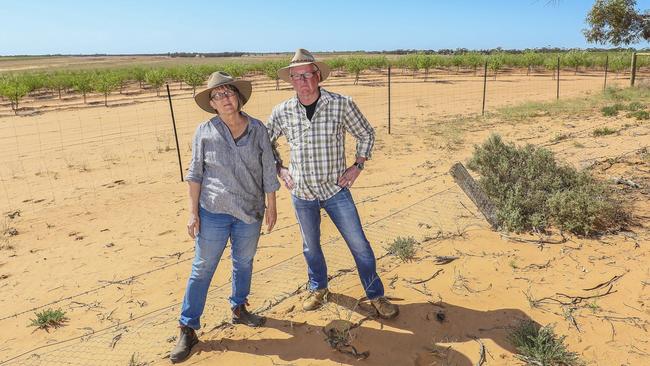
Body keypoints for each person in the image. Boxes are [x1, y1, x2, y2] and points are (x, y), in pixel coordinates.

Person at [266, 49, 399, 319]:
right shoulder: (282, 111)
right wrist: (280, 168)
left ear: (318, 76)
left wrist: (357, 165)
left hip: (336, 191)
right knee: (310, 246)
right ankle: (319, 289)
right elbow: (264, 142)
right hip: (302, 193)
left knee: (359, 244)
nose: (303, 80)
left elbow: (366, 133)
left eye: (308, 74)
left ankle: (375, 295)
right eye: (297, 76)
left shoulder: (341, 104)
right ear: (290, 80)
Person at [170, 71, 280, 363]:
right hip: (213, 212)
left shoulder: (257, 129)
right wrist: (192, 212)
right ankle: (188, 327)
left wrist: (272, 204)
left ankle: (239, 308)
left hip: (249, 211)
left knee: (243, 262)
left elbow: (268, 168)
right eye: (217, 95)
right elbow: (195, 174)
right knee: (202, 268)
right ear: (212, 104)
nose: (225, 99)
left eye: (229, 92)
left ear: (239, 97)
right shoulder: (204, 131)